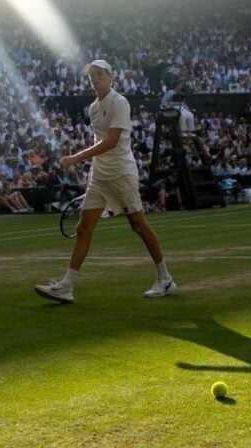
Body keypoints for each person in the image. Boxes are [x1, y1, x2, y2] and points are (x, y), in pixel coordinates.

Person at [35, 60, 175, 304]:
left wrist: (77, 157)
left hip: (121, 172)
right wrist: (90, 169)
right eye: (92, 76)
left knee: (138, 225)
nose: (95, 79)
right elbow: (100, 141)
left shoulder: (120, 102)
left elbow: (111, 141)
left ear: (111, 77)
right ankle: (66, 286)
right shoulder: (92, 108)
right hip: (99, 176)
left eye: (99, 74)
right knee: (82, 228)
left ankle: (165, 279)